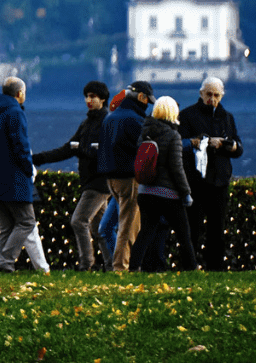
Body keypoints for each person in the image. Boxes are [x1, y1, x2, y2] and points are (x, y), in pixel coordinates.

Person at [33, 80, 111, 270]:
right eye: (86, 96)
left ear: (103, 99)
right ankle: (113, 265)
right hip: (91, 182)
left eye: (92, 97)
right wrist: (38, 158)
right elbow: (67, 149)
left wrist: (85, 150)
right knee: (99, 229)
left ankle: (86, 264)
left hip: (99, 183)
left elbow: (106, 153)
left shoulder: (107, 123)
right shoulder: (86, 123)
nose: (88, 100)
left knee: (78, 221)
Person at [179, 76, 243, 271]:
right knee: (193, 228)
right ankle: (188, 267)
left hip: (220, 180)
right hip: (196, 181)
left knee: (217, 230)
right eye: (209, 94)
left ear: (221, 96)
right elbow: (179, 145)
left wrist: (227, 146)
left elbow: (239, 149)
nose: (212, 99)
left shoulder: (227, 117)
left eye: (216, 95)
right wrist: (198, 142)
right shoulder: (188, 115)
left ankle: (216, 267)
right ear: (201, 94)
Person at [131, 96, 198, 272]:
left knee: (145, 232)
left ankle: (134, 266)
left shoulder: (145, 133)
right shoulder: (173, 135)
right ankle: (191, 268)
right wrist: (185, 193)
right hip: (167, 194)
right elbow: (176, 168)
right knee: (184, 234)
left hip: (145, 191)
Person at [0, 75, 37, 273]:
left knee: (5, 226)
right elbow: (21, 145)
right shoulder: (15, 112)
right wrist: (28, 169)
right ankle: (5, 262)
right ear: (19, 93)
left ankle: (1, 267)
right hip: (14, 178)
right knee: (26, 221)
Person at [96, 79, 153, 272]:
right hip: (130, 178)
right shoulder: (137, 120)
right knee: (128, 226)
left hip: (111, 179)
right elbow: (143, 150)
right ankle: (121, 268)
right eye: (147, 100)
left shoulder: (110, 117)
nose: (148, 105)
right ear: (141, 97)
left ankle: (119, 265)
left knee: (112, 225)